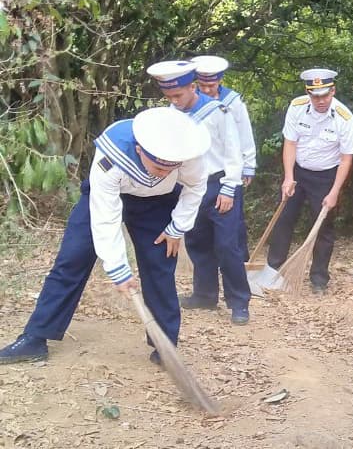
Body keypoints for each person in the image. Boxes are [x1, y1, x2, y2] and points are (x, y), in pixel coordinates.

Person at [0, 107, 210, 365]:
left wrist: (177, 227)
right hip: (105, 197)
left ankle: (165, 346)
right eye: (157, 167)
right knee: (71, 260)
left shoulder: (187, 152)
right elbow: (106, 217)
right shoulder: (113, 151)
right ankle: (35, 338)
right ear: (139, 150)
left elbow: (196, 185)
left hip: (158, 203)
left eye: (171, 169)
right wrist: (118, 268)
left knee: (160, 267)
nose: (164, 173)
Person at [147, 60, 251, 324]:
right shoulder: (171, 115)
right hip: (189, 187)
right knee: (197, 243)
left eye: (178, 95)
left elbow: (232, 150)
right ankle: (204, 294)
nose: (174, 100)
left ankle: (239, 301)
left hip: (219, 185)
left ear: (193, 87)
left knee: (228, 246)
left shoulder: (218, 111)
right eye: (169, 96)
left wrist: (229, 187)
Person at [265, 68, 353, 294]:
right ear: (308, 93)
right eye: (315, 96)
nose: (320, 101)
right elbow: (290, 143)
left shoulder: (344, 117)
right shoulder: (297, 107)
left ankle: (319, 279)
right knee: (284, 219)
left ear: (333, 91)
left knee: (323, 226)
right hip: (298, 171)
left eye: (325, 95)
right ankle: (273, 271)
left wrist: (335, 191)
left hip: (326, 175)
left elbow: (346, 158)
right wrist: (288, 176)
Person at [192, 55, 257, 262]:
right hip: (200, 171)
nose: (208, 89)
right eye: (203, 85)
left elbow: (244, 133)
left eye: (211, 84)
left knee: (233, 221)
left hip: (229, 168)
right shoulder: (190, 102)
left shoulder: (232, 101)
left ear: (220, 80)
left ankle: (240, 263)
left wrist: (248, 165)